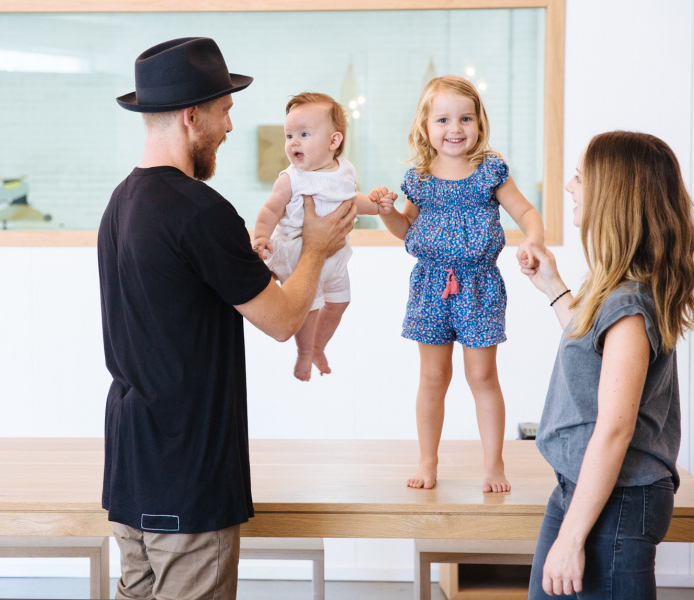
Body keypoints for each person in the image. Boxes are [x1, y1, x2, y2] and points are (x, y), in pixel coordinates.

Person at [98, 38, 356, 600]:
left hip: (131, 471)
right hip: (189, 478)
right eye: (224, 111)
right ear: (192, 117)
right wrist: (316, 249)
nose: (230, 127)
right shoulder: (199, 210)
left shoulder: (120, 203)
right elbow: (283, 320)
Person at [521, 131, 694, 599]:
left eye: (579, 177)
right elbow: (592, 352)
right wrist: (552, 285)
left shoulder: (630, 305)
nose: (569, 187)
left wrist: (571, 538)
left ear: (612, 195)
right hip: (587, 488)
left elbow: (615, 429)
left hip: (617, 499)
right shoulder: (621, 292)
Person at [369, 75, 545, 492]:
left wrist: (533, 240)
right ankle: (427, 462)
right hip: (430, 286)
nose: (455, 128)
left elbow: (526, 213)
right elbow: (406, 230)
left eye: (466, 118)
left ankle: (494, 465)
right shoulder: (419, 178)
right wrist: (387, 212)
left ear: (479, 123)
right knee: (433, 376)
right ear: (425, 126)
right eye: (443, 120)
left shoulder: (490, 171)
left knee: (482, 376)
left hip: (479, 286)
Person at [252, 92, 395, 381]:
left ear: (334, 141)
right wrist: (261, 236)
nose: (294, 142)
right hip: (299, 255)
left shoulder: (345, 170)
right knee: (309, 308)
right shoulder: (291, 178)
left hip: (336, 255)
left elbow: (351, 199)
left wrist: (376, 206)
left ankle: (319, 346)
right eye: (289, 135)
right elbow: (271, 209)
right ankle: (305, 352)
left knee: (340, 302)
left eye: (304, 134)